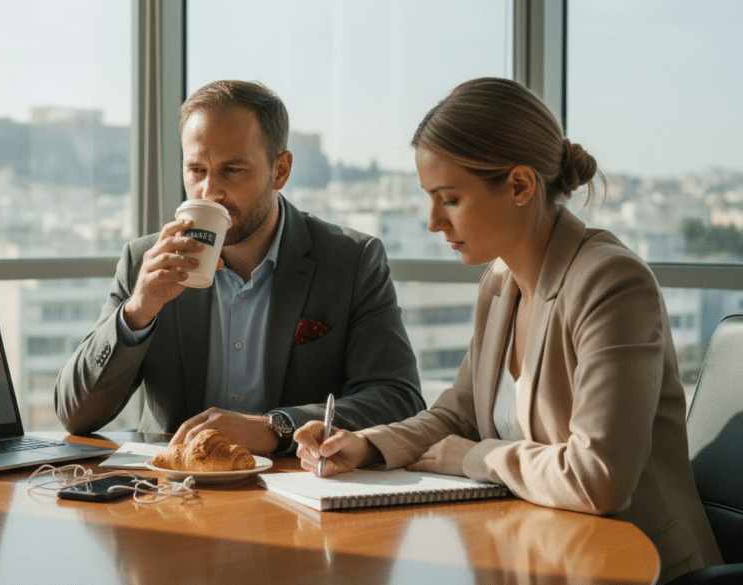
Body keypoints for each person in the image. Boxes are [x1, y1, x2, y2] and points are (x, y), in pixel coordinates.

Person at [294, 77, 721, 583]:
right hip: (539, 555)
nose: (433, 222)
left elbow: (599, 478)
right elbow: (459, 412)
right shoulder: (500, 281)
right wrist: (366, 445)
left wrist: (477, 457)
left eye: (449, 199)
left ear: (519, 185)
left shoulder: (612, 283)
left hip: (632, 566)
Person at [55, 80, 424, 455]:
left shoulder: (350, 261)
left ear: (279, 170)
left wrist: (275, 428)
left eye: (231, 170)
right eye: (196, 170)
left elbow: (399, 399)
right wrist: (137, 312)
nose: (209, 192)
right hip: (173, 495)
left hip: (295, 493)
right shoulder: (146, 261)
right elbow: (76, 415)